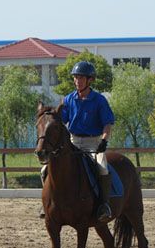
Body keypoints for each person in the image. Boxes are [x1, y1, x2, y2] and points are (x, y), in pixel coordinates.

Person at [40, 61, 115, 222]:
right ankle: (47, 203)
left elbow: (107, 123)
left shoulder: (99, 100)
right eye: (75, 78)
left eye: (81, 78)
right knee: (45, 169)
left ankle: (104, 205)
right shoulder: (68, 99)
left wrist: (104, 140)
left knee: (102, 167)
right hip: (73, 141)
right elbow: (60, 121)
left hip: (93, 143)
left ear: (90, 80)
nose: (77, 81)